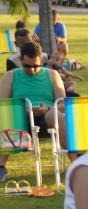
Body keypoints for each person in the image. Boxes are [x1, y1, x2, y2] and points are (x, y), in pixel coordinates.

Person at [0, 41, 65, 182]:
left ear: (41, 59)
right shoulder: (11, 76)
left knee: (55, 114)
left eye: (36, 65)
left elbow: (62, 104)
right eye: (27, 66)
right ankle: (1, 166)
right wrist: (22, 110)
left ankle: (77, 162)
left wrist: (47, 108)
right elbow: (2, 104)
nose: (32, 70)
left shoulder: (52, 75)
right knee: (7, 116)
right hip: (19, 120)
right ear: (20, 60)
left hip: (45, 118)